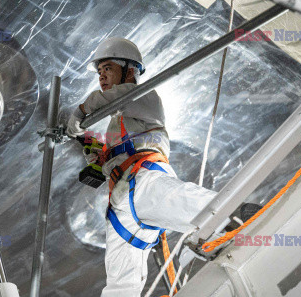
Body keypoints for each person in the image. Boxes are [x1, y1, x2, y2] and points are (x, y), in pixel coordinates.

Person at [66, 37, 218, 297]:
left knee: (198, 208)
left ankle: (239, 216)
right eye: (100, 72)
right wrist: (91, 146)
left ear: (131, 71)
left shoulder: (145, 97)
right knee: (119, 285)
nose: (102, 76)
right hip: (120, 202)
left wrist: (80, 112)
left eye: (108, 69)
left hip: (145, 177)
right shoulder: (120, 122)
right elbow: (108, 158)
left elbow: (116, 96)